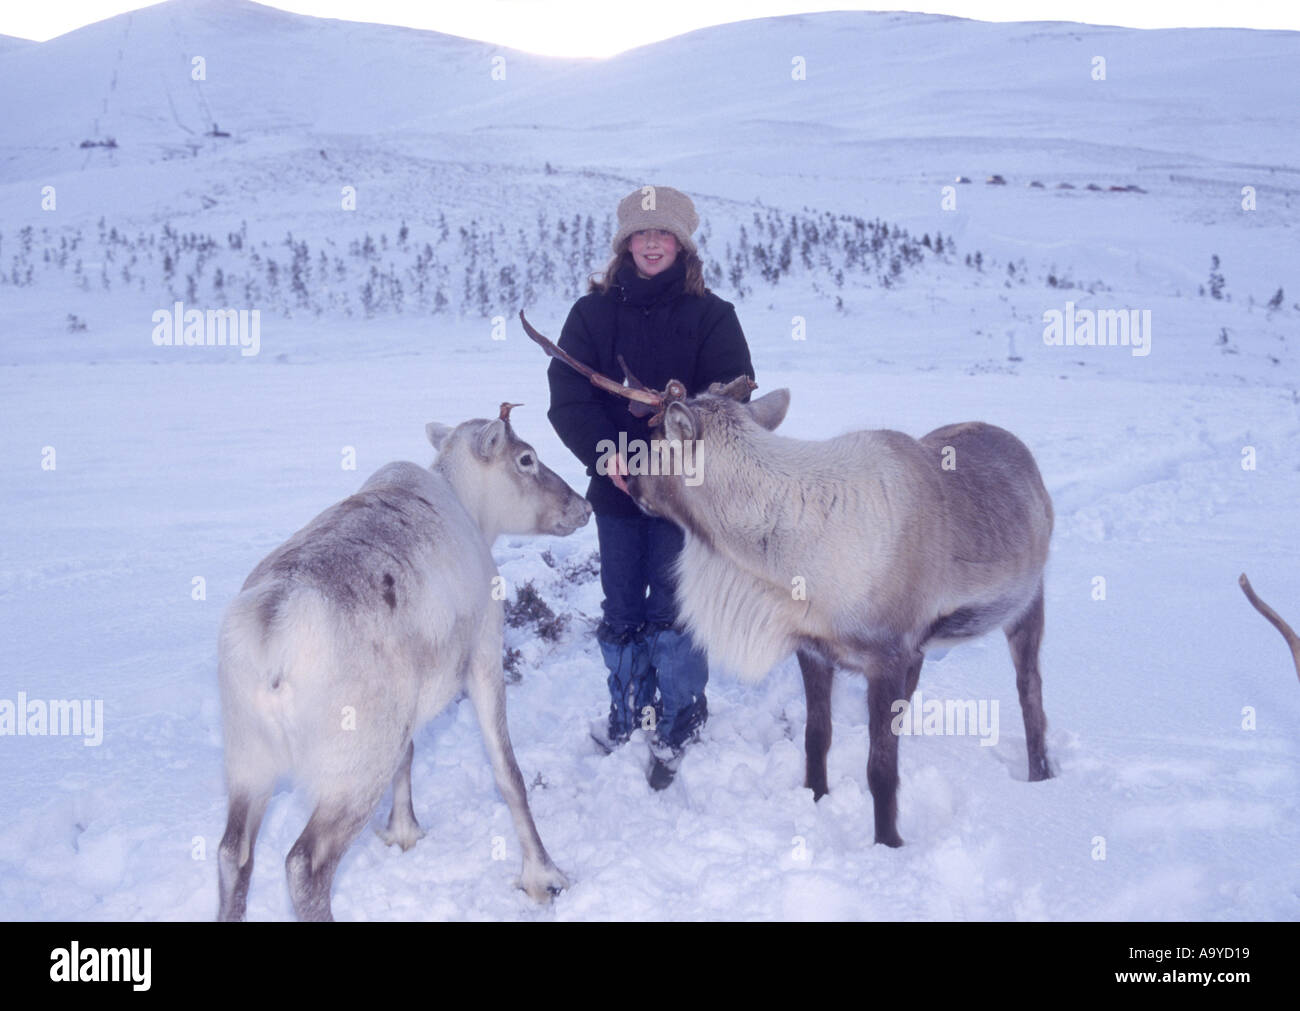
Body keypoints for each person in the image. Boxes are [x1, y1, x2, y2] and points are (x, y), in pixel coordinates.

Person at [546, 185, 755, 788]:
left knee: (675, 606)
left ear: (682, 244)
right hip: (615, 485)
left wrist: (673, 455)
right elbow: (568, 398)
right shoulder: (591, 316)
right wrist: (606, 453)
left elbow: (731, 402)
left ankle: (681, 713)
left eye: (663, 233)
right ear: (625, 244)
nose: (653, 243)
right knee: (621, 606)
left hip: (687, 493)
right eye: (642, 234)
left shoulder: (714, 317)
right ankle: (630, 707)